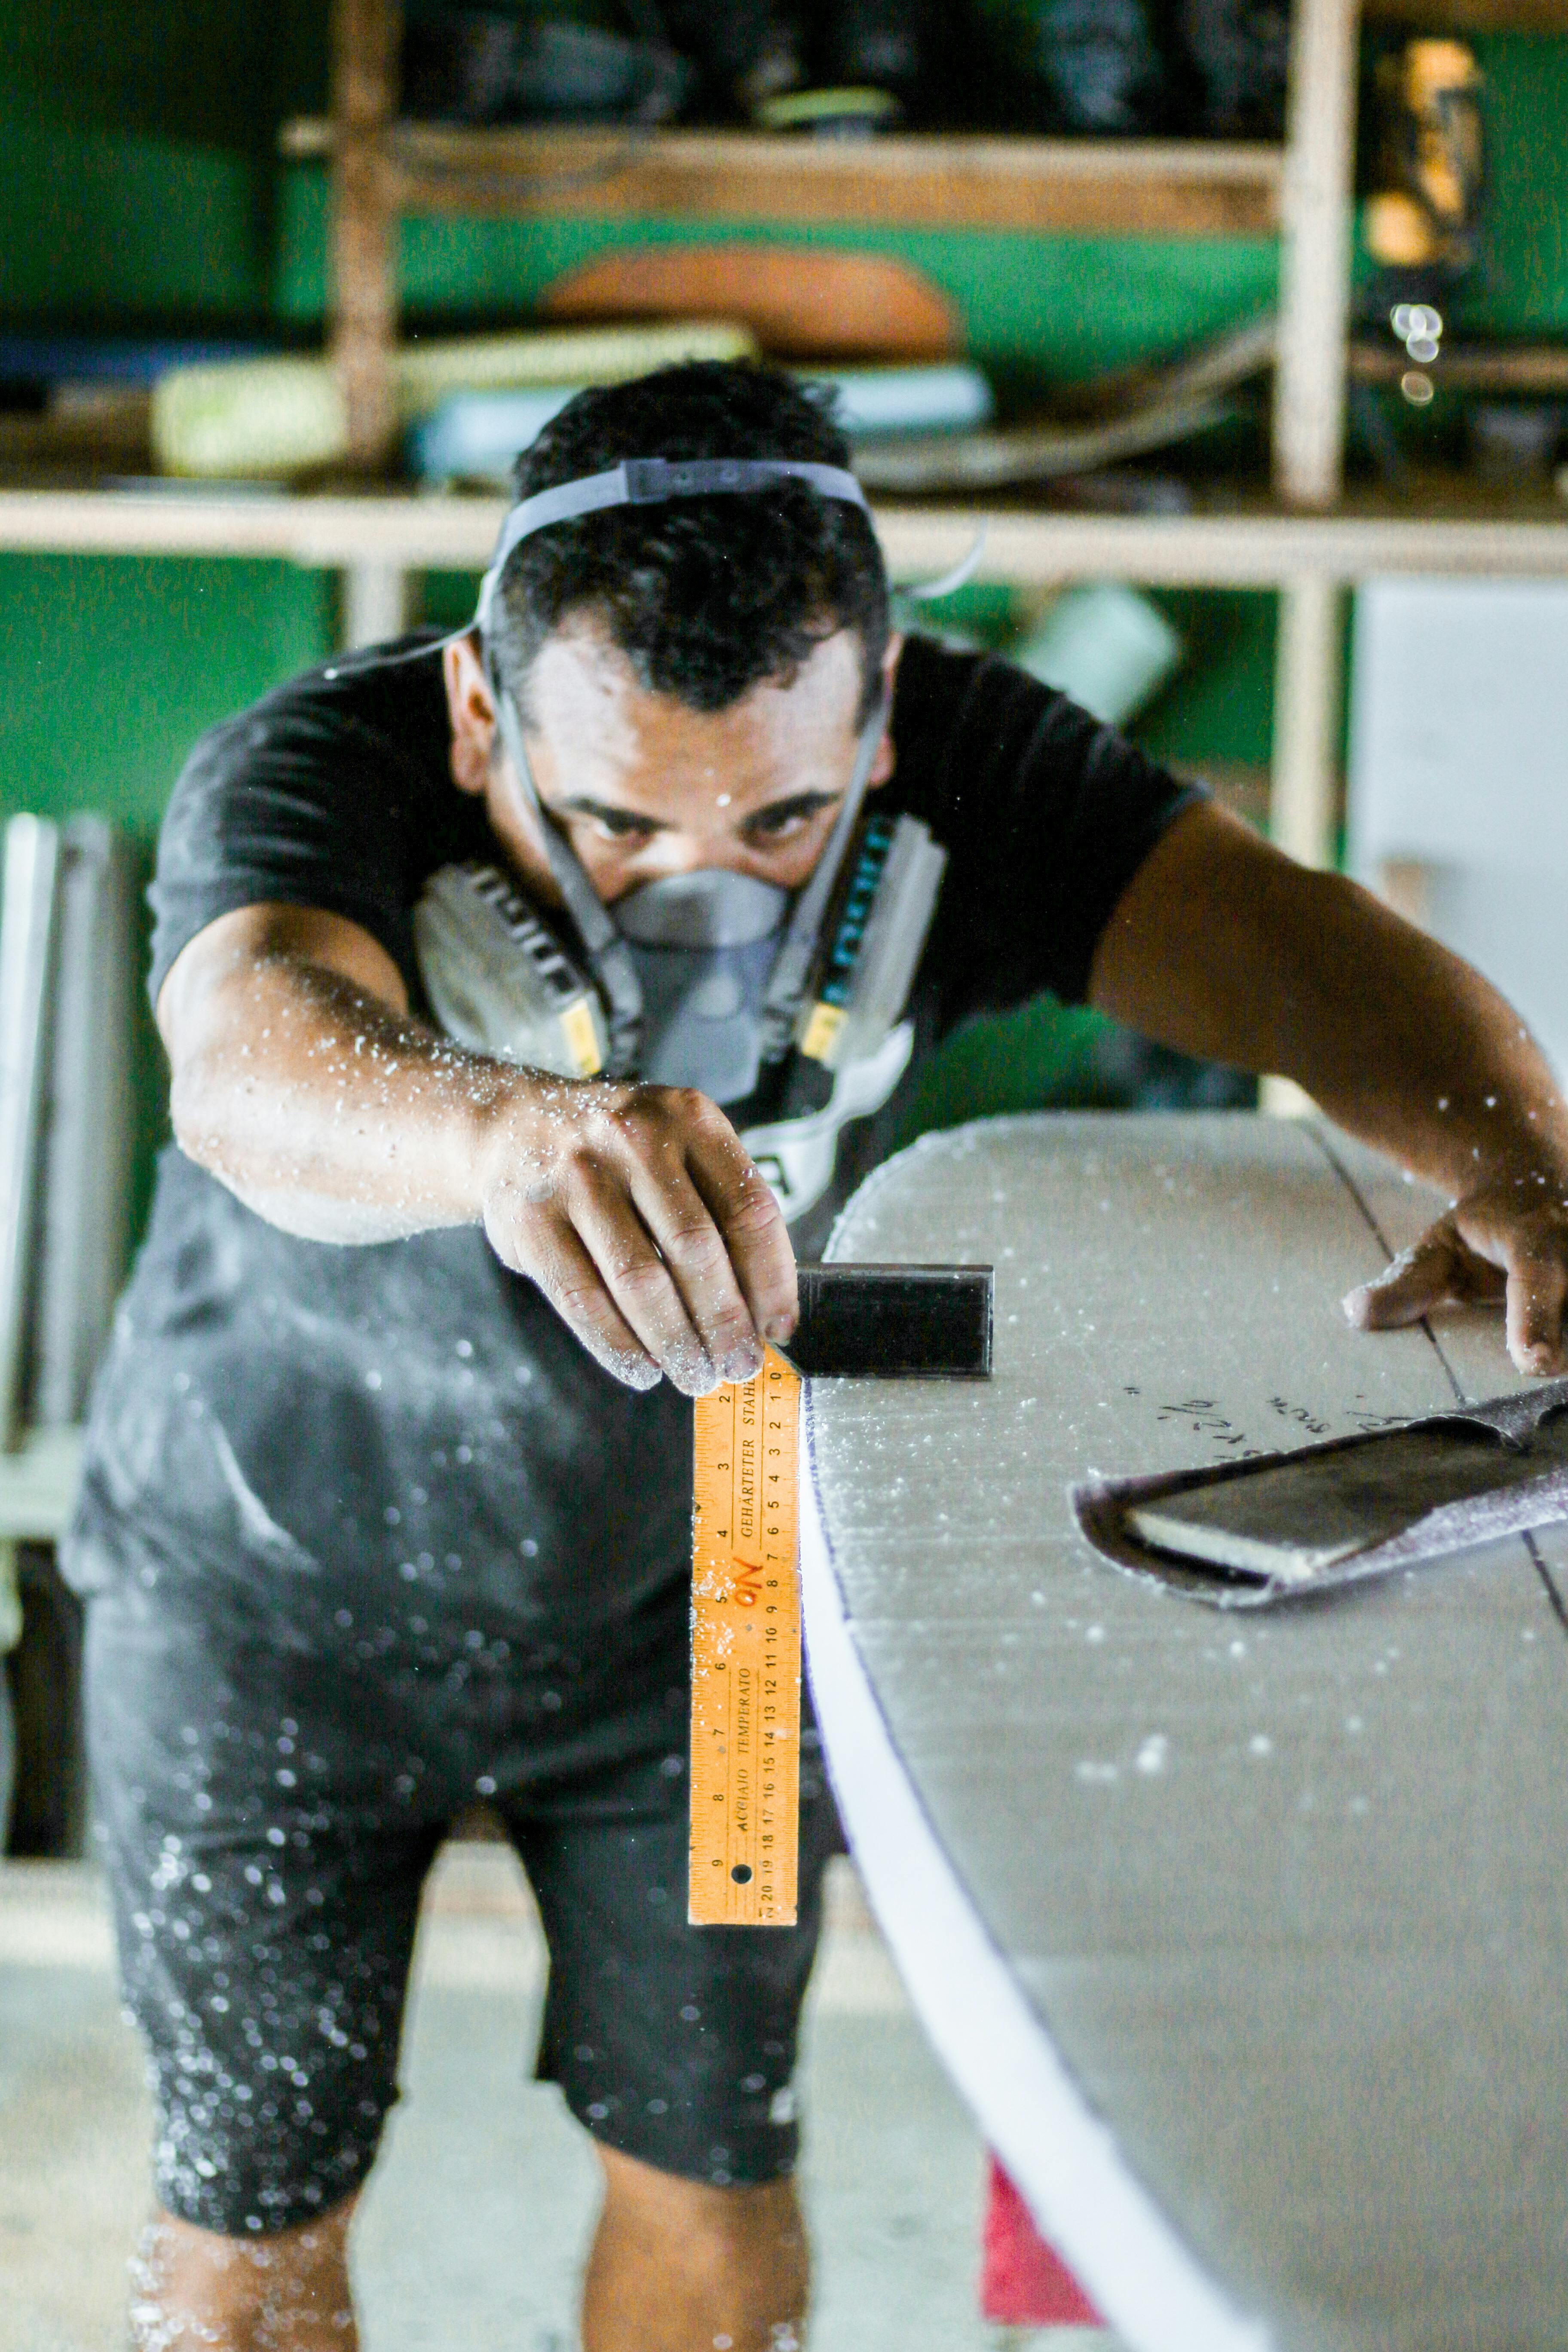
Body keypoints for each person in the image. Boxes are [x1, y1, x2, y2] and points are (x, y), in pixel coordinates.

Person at [65, 360, 1568, 2352]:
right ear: (474, 711)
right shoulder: (320, 766)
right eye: (607, 818)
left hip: (722, 1600)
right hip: (265, 1587)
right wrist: (508, 1128)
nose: (707, 886)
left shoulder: (974, 759)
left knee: (715, 2179)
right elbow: (251, 1057)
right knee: (251, 2212)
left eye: (786, 816)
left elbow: (1296, 950)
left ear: (880, 725)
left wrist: (1520, 1159)